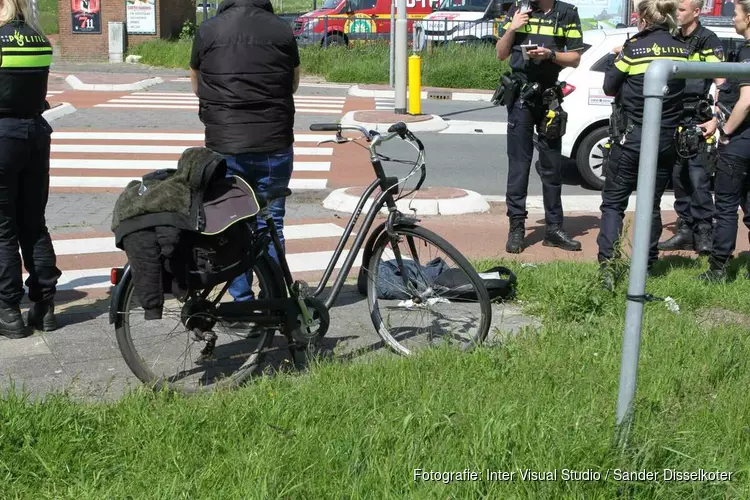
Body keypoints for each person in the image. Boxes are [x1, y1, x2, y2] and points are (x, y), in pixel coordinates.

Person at [190, 0, 300, 301]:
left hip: (225, 145)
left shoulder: (208, 30)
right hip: (273, 144)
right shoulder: (282, 30)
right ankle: (275, 299)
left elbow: (197, 84)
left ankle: (242, 302)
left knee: (234, 224)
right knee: (272, 222)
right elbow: (293, 83)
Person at [596, 0, 689, 289]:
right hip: (665, 139)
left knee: (613, 205)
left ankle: (608, 269)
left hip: (631, 138)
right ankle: (647, 263)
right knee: (651, 204)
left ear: (643, 19)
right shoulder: (682, 49)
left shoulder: (633, 48)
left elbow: (609, 86)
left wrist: (615, 58)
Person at [495, 0, 584, 254]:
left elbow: (575, 58)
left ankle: (554, 228)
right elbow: (501, 54)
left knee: (552, 166)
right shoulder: (519, 9)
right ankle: (516, 227)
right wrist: (512, 28)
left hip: (549, 99)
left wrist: (550, 55)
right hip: (521, 97)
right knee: (519, 166)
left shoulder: (567, 13)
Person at [0, 0, 61, 338]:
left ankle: (10, 312)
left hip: (2, 137)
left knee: (2, 228)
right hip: (36, 135)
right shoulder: (40, 40)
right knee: (34, 223)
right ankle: (45, 306)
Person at [658, 0, 725, 254]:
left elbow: (722, 82)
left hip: (698, 118)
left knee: (699, 179)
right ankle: (685, 231)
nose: (676, 13)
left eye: (681, 9)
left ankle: (704, 233)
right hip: (673, 117)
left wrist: (716, 119)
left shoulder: (708, 39)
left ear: (697, 12)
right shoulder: (670, 38)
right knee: (679, 178)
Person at [698, 0, 750, 282]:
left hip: (739, 142)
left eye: (737, 15)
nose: (733, 20)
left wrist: (726, 131)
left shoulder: (747, 53)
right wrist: (716, 122)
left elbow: (746, 102)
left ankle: (717, 269)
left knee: (726, 207)